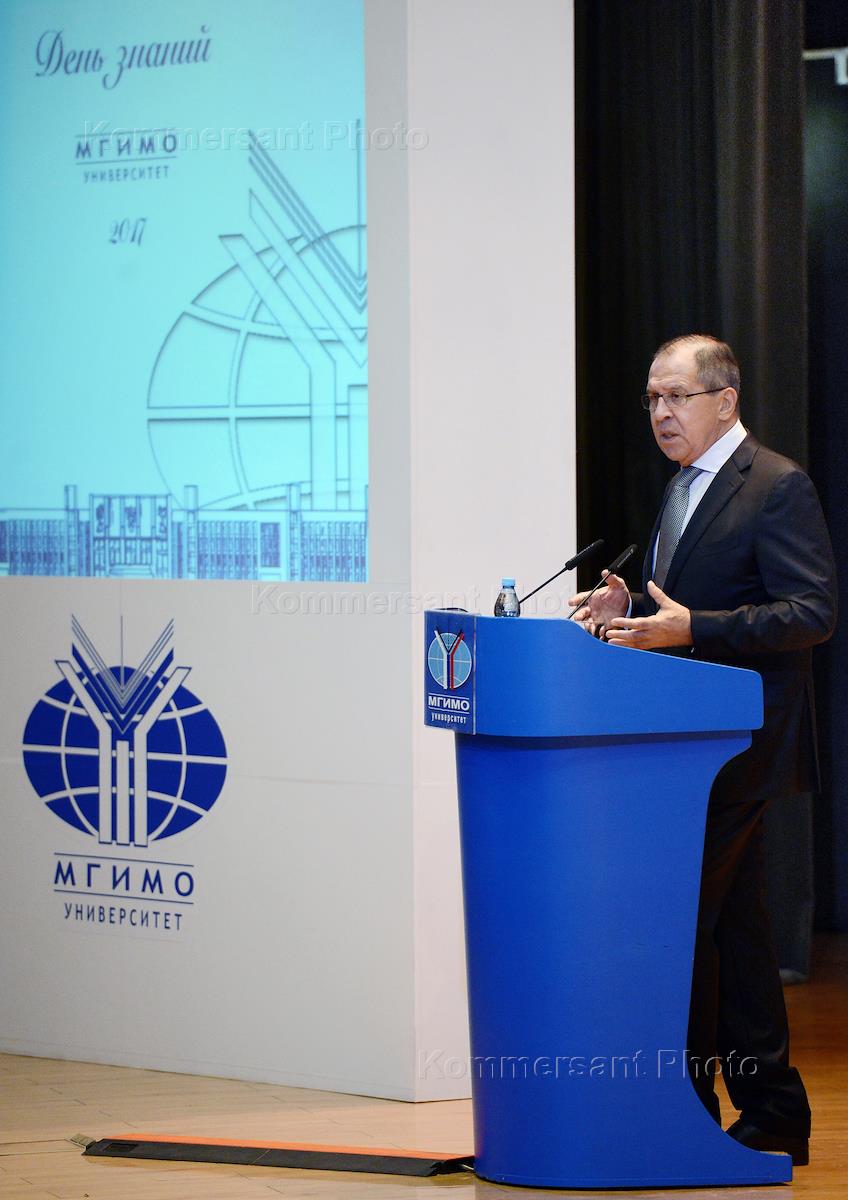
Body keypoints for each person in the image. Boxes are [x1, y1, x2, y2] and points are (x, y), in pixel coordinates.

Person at [570, 334, 836, 1166]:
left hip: (740, 747)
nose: (660, 413)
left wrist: (696, 630)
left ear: (725, 401)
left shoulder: (777, 484)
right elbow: (683, 605)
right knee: (737, 935)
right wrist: (629, 608)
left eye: (675, 397)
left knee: (685, 924)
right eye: (651, 399)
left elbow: (811, 612)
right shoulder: (684, 484)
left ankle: (680, 1110)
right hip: (687, 748)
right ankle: (772, 1113)